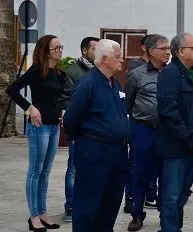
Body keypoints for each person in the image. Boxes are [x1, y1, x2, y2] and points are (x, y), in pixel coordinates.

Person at [63, 39, 131, 232]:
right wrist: (87, 140)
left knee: (110, 203)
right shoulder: (87, 84)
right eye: (118, 56)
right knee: (88, 204)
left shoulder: (115, 83)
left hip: (118, 152)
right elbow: (71, 119)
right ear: (105, 59)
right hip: (95, 152)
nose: (122, 60)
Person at [6, 34, 65, 232]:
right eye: (56, 48)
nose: (60, 51)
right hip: (39, 128)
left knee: (46, 172)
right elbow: (12, 90)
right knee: (35, 171)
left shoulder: (57, 72)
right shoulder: (36, 70)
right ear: (46, 51)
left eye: (61, 47)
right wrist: (30, 108)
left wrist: (61, 111)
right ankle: (33, 217)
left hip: (54, 126)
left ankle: (42, 212)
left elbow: (57, 97)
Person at [156, 32, 193, 232]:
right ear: (180, 51)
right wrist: (187, 136)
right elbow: (168, 111)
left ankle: (174, 227)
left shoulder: (192, 73)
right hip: (177, 146)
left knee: (183, 192)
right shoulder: (170, 73)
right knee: (172, 194)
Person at [125, 34, 170, 231]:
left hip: (166, 133)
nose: (168, 52)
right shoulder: (137, 75)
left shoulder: (172, 74)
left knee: (165, 174)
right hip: (142, 130)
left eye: (169, 48)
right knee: (139, 173)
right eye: (164, 49)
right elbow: (129, 104)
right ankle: (136, 214)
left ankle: (164, 214)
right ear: (152, 52)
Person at [58, 36, 99, 222]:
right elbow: (64, 99)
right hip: (80, 127)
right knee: (74, 168)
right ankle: (71, 207)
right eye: (94, 49)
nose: (97, 53)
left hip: (97, 130)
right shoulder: (72, 72)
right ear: (84, 51)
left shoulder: (101, 71)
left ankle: (89, 205)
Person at [124, 33, 151, 214]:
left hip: (160, 129)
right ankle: (131, 200)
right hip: (140, 126)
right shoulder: (136, 68)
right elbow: (130, 100)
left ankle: (150, 194)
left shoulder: (166, 70)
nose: (167, 53)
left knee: (154, 166)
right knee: (136, 165)